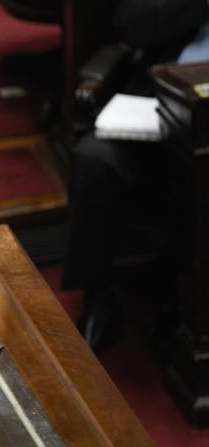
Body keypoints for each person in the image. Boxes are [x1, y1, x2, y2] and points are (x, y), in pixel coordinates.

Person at [62, 0, 208, 350]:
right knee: (95, 159)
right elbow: (132, 23)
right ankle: (99, 301)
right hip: (159, 112)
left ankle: (189, 307)